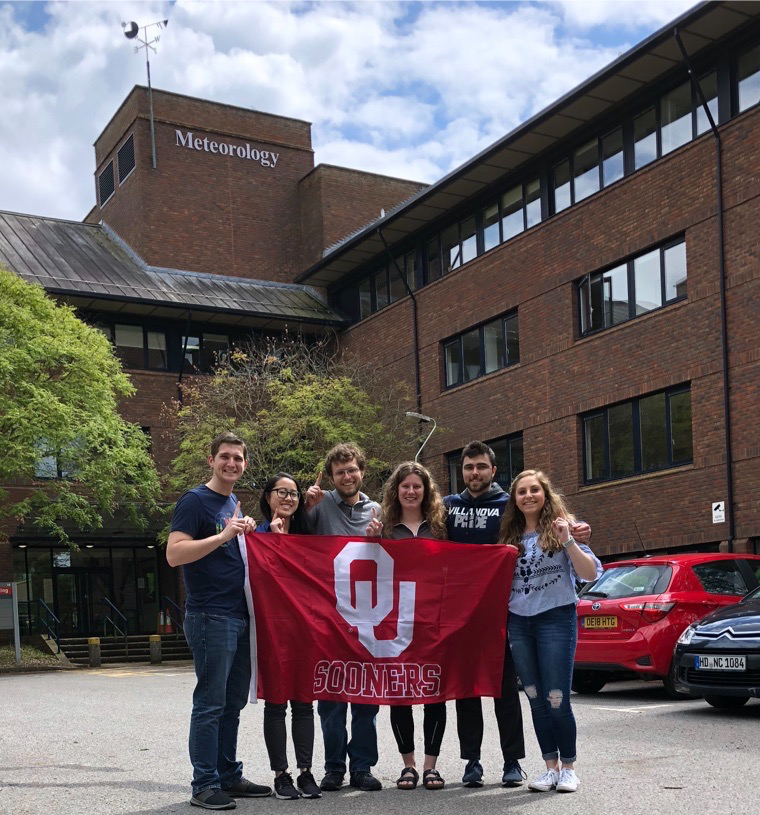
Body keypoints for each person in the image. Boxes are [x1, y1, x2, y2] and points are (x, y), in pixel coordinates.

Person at [443, 440, 590, 789]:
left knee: (517, 691)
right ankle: (479, 762)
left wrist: (576, 532)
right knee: (483, 691)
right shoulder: (450, 508)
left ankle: (524, 763)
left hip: (520, 616)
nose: (474, 473)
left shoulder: (516, 512)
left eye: (481, 466)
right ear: (460, 472)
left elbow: (581, 559)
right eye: (468, 467)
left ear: (494, 471)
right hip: (484, 615)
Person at [167, 431, 272, 811]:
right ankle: (204, 783)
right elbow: (175, 554)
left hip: (239, 615)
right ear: (210, 460)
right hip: (210, 615)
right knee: (210, 703)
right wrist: (226, 533)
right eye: (225, 456)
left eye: (238, 458)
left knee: (231, 704)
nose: (232, 463)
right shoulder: (196, 501)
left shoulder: (232, 501)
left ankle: (227, 774)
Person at [497, 469, 602, 794]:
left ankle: (569, 767)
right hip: (519, 623)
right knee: (536, 700)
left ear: (545, 495)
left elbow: (590, 575)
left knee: (557, 698)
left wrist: (568, 539)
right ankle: (550, 768)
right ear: (514, 500)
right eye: (521, 492)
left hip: (555, 620)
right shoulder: (508, 540)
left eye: (534, 490)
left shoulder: (563, 529)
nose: (528, 496)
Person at [304, 442, 382, 792]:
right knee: (331, 699)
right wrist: (306, 508)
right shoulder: (319, 506)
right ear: (332, 477)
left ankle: (362, 767)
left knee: (366, 699)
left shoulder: (377, 509)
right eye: (339, 472)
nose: (347, 476)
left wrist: (379, 541)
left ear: (361, 471)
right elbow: (297, 544)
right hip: (328, 616)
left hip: (366, 617)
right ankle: (334, 767)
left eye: (352, 470)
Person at [375, 461, 448, 791]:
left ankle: (431, 767)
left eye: (417, 486)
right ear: (396, 490)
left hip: (434, 619)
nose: (411, 491)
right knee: (399, 694)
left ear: (426, 490)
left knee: (436, 693)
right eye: (405, 486)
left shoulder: (441, 526)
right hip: (397, 621)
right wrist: (371, 542)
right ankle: (409, 766)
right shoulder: (385, 528)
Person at [256, 473, 322, 801]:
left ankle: (306, 772)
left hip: (304, 628)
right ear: (267, 496)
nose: (288, 498)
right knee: (276, 702)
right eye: (281, 492)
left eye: (294, 493)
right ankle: (281, 774)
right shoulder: (255, 534)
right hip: (271, 628)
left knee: (304, 702)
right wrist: (271, 537)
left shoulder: (308, 535)